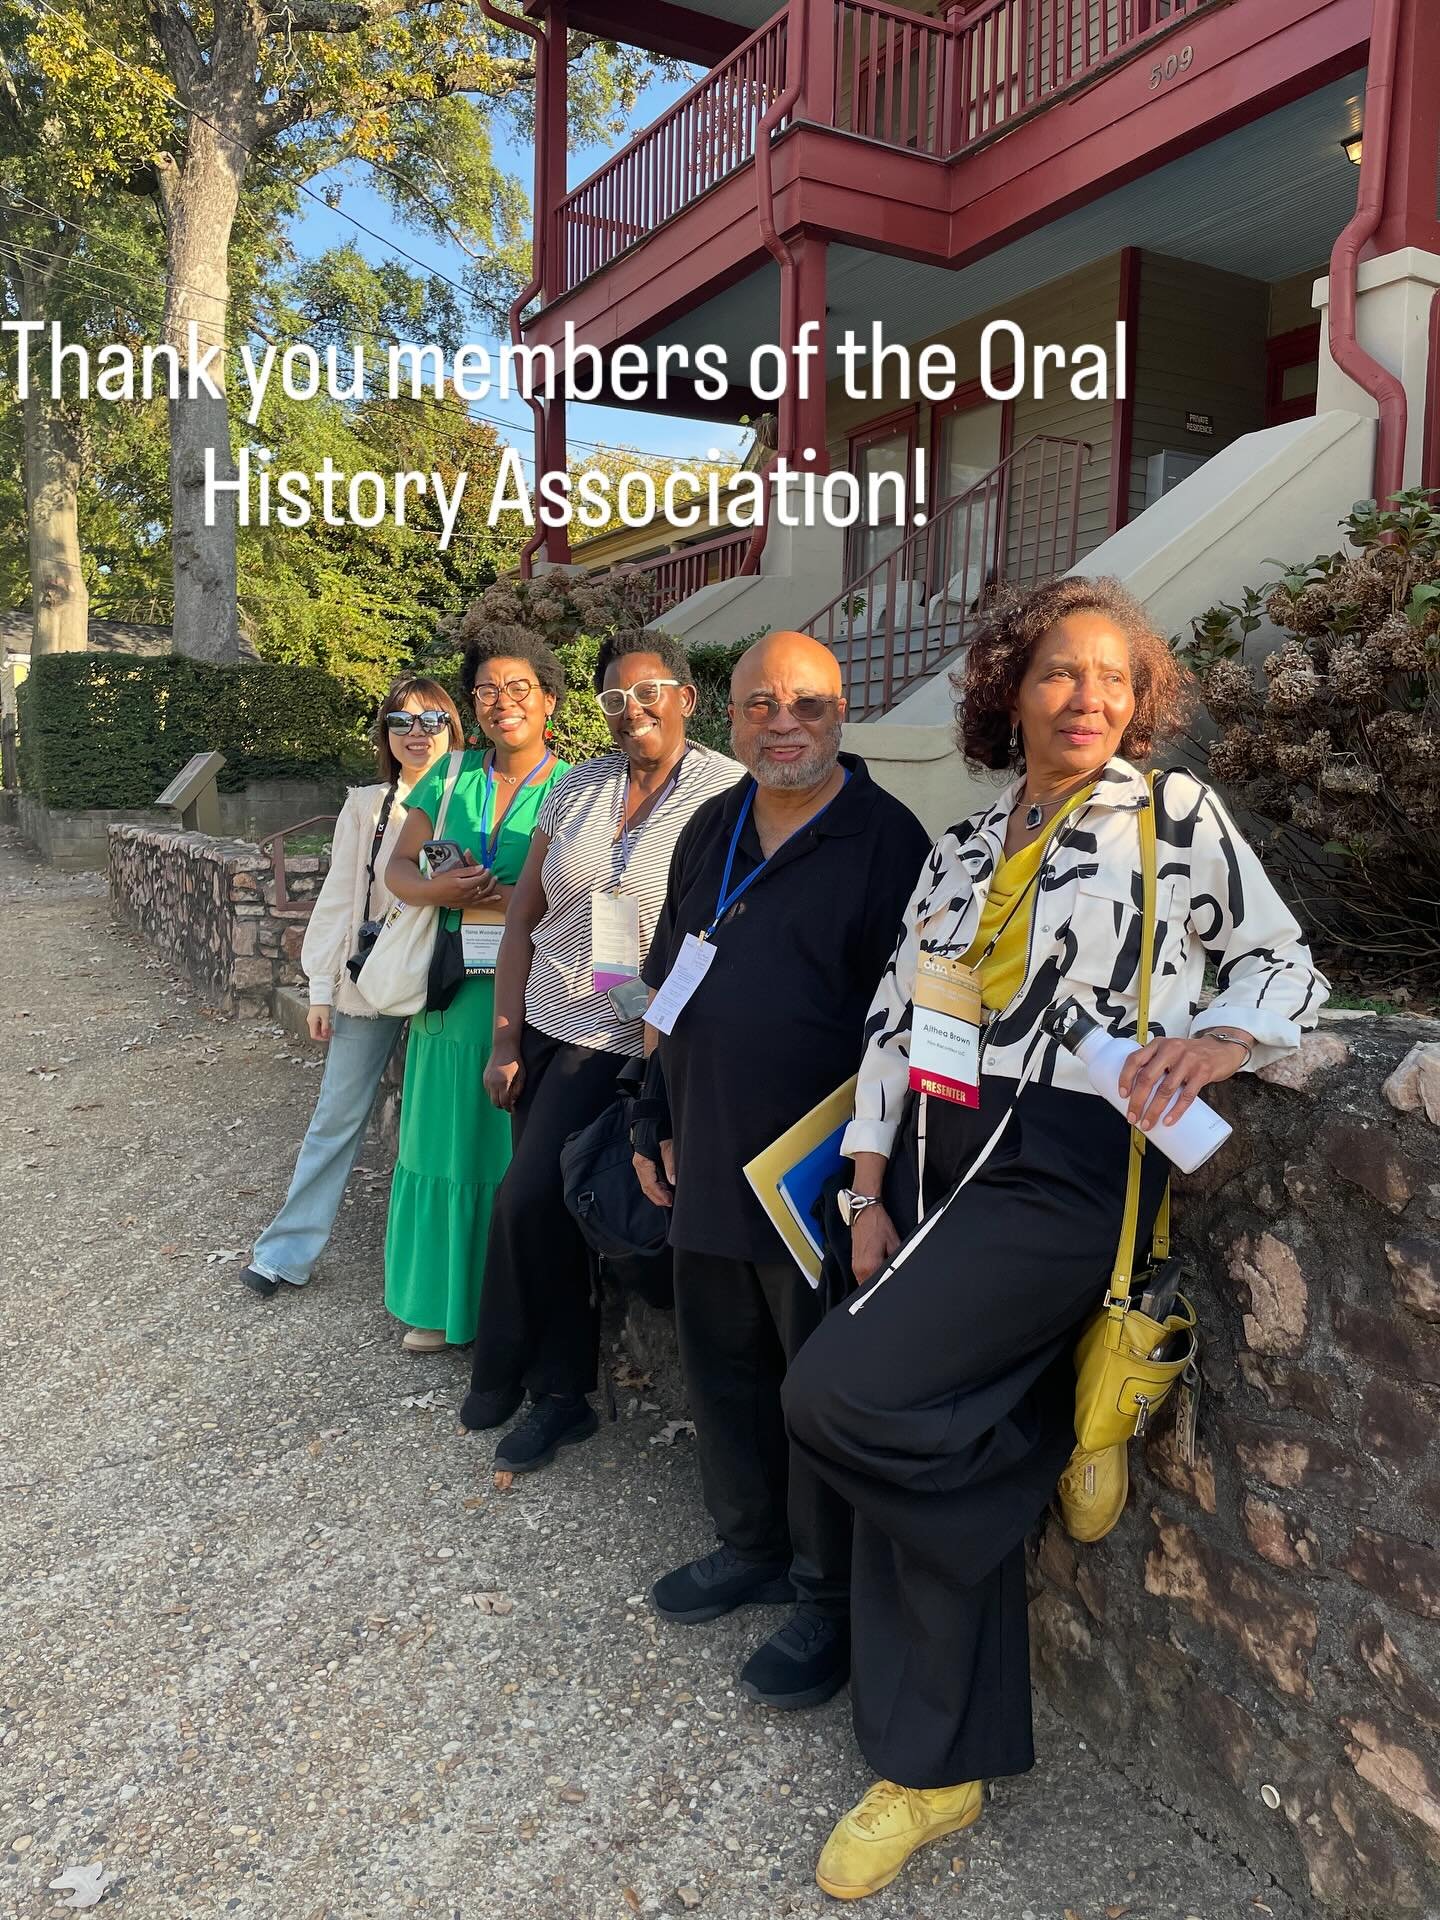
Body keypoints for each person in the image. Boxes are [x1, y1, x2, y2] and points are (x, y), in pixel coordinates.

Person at [782, 575, 1327, 1901]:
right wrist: (865, 1189)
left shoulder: (1172, 818)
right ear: (1009, 690)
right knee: (937, 1418)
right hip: (937, 1159)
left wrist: (1221, 1036)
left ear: (1139, 705)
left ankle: (1018, 1475)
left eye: (1115, 680)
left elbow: (1283, 961)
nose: (1088, 698)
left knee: (838, 1393)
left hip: (1069, 1168)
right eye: (1058, 674)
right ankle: (933, 1764)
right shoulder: (963, 847)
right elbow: (894, 1024)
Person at [632, 631, 930, 1713]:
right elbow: (668, 983)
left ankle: (827, 1597)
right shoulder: (710, 826)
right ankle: (749, 1545)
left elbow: (909, 1031)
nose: (784, 721)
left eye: (806, 702)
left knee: (812, 1390)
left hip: (813, 1178)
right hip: (705, 1151)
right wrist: (647, 1112)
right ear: (731, 716)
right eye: (761, 703)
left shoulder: (889, 840)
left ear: (842, 712)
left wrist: (870, 1182)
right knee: (721, 1370)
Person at [459, 632, 742, 1473]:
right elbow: (523, 917)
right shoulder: (579, 787)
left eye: (650, 692)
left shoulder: (725, 793)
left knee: (528, 1200)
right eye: (615, 699)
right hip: (548, 1026)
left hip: (635, 1043)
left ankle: (538, 1385)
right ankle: (560, 1391)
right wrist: (506, 1036)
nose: (633, 711)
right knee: (547, 1212)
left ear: (687, 697)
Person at [239, 676, 465, 1303]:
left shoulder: (475, 794)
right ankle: (286, 1251)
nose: (416, 735)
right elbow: (340, 896)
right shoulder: (368, 804)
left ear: (454, 726)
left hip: (455, 983)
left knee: (435, 1127)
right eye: (401, 723)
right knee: (337, 1115)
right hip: (374, 978)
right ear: (385, 735)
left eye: (431, 721)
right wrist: (318, 987)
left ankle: (433, 1266)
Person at [381, 636, 570, 1352]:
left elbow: (577, 894)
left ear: (549, 701)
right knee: (438, 1145)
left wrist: (504, 902)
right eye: (489, 690)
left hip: (529, 991)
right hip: (452, 987)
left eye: (520, 687)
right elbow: (399, 870)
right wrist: (444, 889)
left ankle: (501, 1309)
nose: (503, 702)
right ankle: (433, 1303)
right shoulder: (447, 776)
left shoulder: (575, 787)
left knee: (504, 1153)